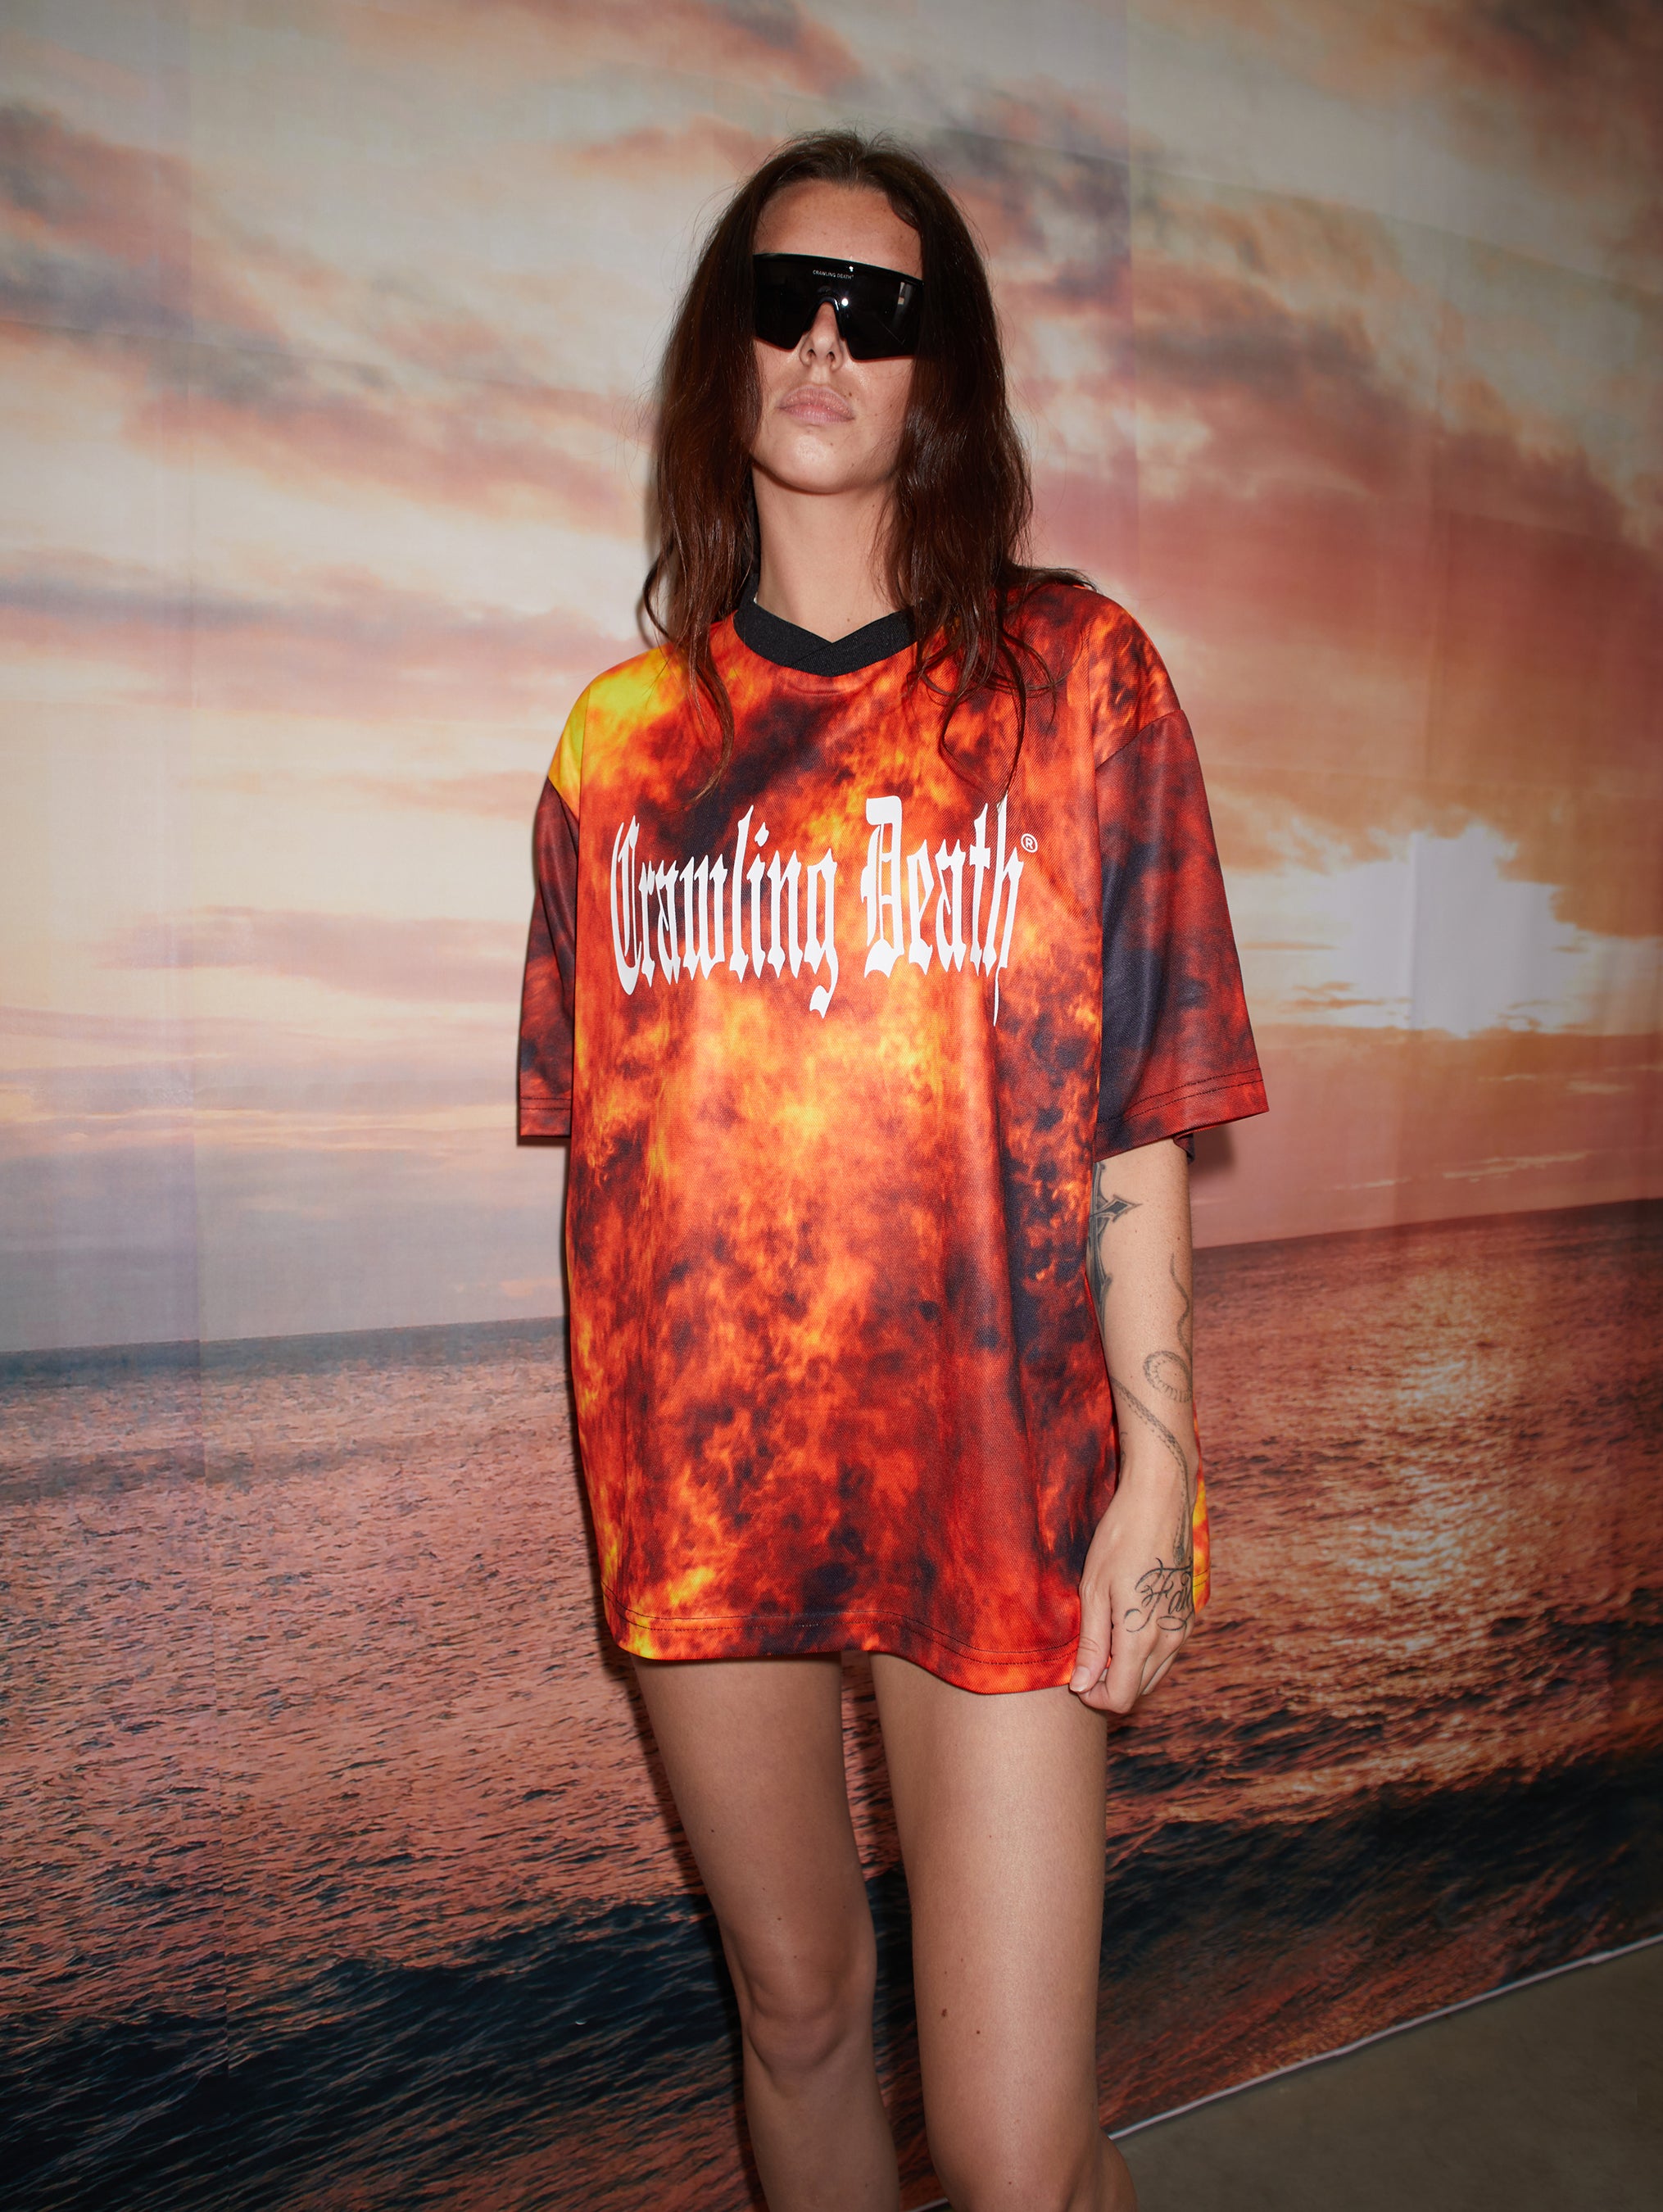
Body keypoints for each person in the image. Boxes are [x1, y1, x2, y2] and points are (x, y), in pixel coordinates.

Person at [519, 128, 1267, 2212]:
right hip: (703, 1489)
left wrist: (1161, 1464)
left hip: (995, 1471)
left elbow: (1135, 1114)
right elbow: (619, 1184)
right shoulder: (613, 755)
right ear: (724, 351)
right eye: (785, 301)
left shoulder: (1079, 683)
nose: (827, 344)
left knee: (1017, 2152)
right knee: (798, 2011)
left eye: (881, 309)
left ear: (944, 370)